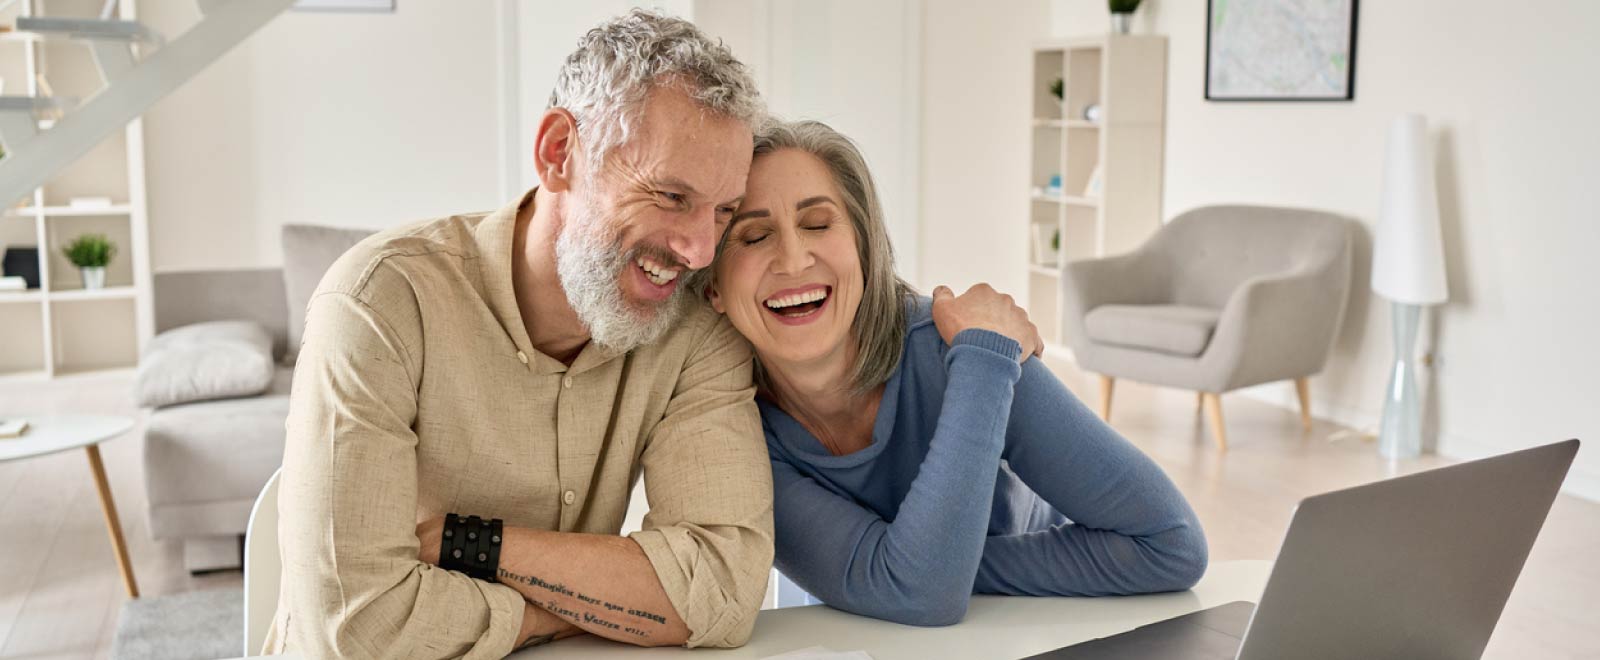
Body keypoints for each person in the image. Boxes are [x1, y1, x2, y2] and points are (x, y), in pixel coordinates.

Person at [267, 11, 774, 657]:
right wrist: (576, 610)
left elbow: (725, 594)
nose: (700, 250)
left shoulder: (696, 333)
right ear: (559, 153)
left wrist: (466, 542)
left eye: (724, 210)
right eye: (672, 196)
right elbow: (358, 628)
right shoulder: (380, 299)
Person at [703, 120, 1209, 626]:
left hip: (1029, 629)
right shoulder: (729, 433)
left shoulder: (970, 351)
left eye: (817, 224)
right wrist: (918, 570)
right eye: (753, 235)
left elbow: (1172, 543)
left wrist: (925, 567)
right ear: (713, 289)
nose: (793, 258)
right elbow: (918, 591)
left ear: (863, 248)